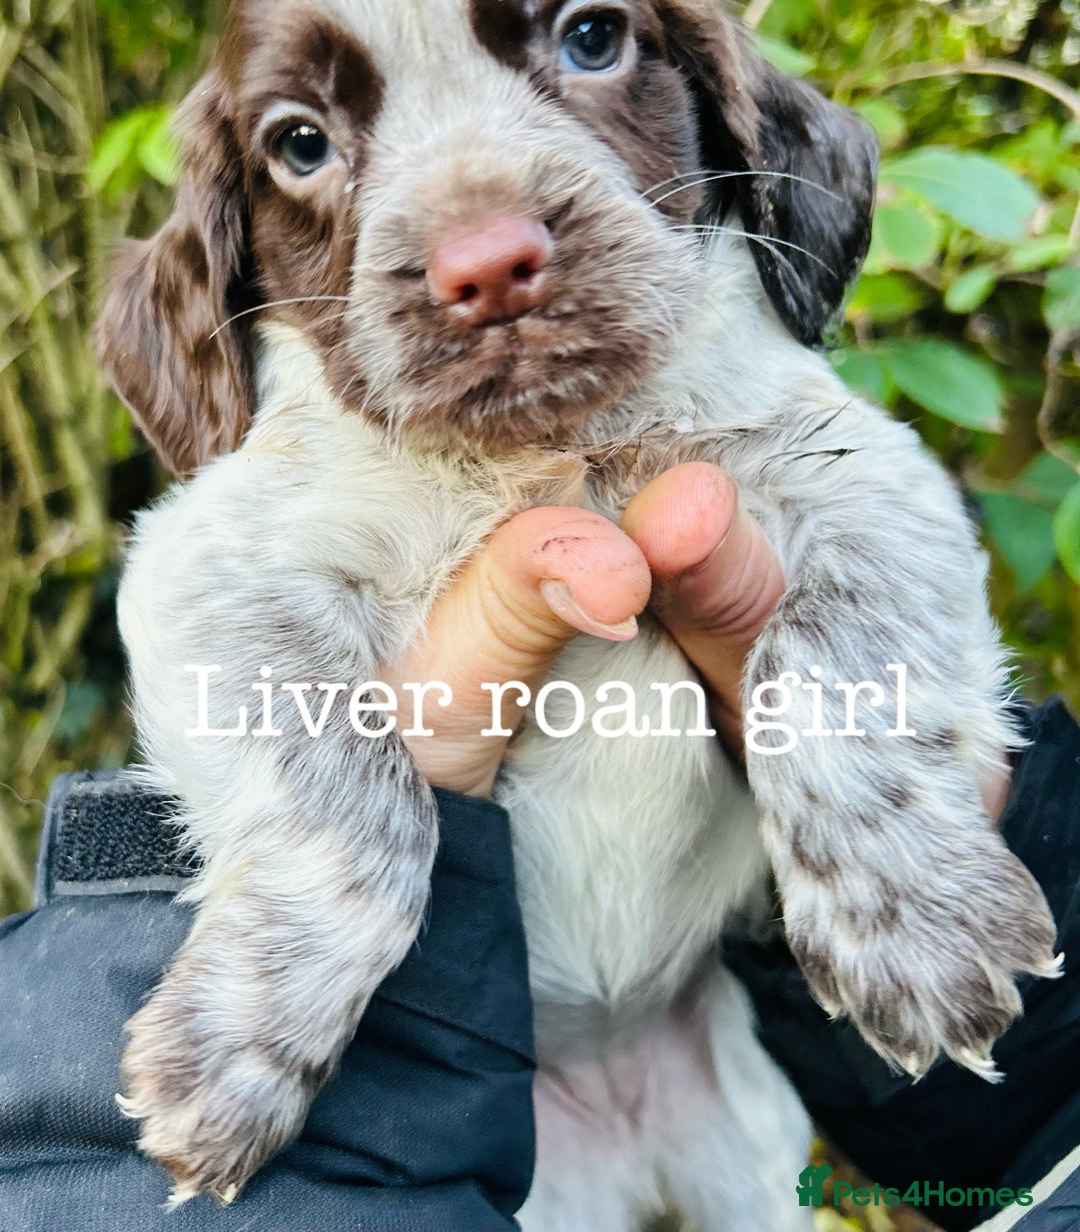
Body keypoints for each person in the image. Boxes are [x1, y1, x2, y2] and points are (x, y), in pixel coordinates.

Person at [0, 464, 1077, 1231]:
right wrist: (316, 904)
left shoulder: (758, 368)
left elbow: (882, 499)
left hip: (706, 1016)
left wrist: (885, 814)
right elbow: (194, 571)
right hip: (477, 1077)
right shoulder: (298, 457)